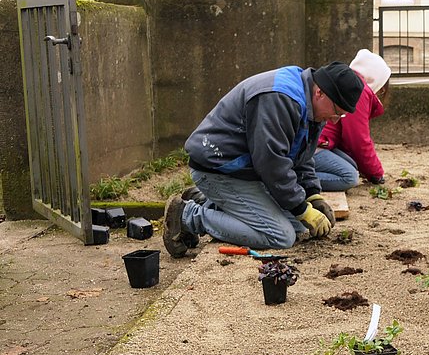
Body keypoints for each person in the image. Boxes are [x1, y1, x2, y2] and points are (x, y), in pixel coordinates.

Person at [162, 61, 364, 258]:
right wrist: (301, 208)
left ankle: (208, 202)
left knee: (298, 224)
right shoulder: (280, 98)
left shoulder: (311, 102)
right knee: (280, 235)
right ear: (320, 92)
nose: (335, 120)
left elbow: (301, 155)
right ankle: (188, 216)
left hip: (244, 172)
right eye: (337, 112)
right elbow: (271, 163)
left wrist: (312, 196)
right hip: (218, 168)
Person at [312, 49, 392, 191]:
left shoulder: (351, 85)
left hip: (321, 142)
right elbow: (358, 139)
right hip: (316, 145)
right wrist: (376, 173)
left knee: (352, 165)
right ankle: (296, 179)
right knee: (349, 177)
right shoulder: (358, 91)